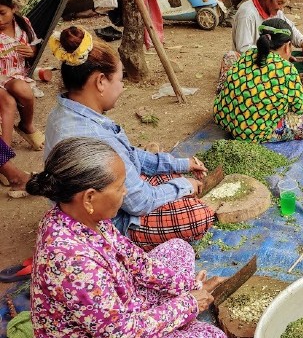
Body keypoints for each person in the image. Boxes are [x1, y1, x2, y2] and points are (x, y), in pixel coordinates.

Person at [27, 137, 232, 338]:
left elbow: (137, 261)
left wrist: (188, 286)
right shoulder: (72, 263)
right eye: (119, 187)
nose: (125, 193)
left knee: (178, 250)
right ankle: (172, 329)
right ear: (89, 197)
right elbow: (121, 334)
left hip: (120, 308)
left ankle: (169, 325)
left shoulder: (82, 217)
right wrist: (188, 306)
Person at [44, 26, 214, 251]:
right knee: (197, 216)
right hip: (105, 220)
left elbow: (131, 155)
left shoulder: (66, 111)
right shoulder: (93, 135)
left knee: (169, 174)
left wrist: (183, 164)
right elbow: (140, 203)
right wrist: (185, 185)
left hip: (96, 201)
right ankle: (125, 241)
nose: (122, 87)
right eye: (120, 78)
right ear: (101, 81)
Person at [214, 18, 303, 142]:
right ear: (287, 46)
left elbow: (260, 76)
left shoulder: (247, 54)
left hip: (227, 121)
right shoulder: (287, 69)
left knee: (231, 56)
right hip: (254, 133)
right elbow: (302, 109)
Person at [0, 0, 44, 151]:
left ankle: (26, 125)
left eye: (3, 13)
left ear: (13, 8)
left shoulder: (23, 23)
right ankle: (5, 155)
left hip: (16, 74)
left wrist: (30, 52)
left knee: (24, 90)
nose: (0, 20)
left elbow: (34, 46)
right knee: (9, 103)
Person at [231, 0, 303, 56]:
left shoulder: (275, 10)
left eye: (283, 3)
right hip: (251, 62)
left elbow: (289, 29)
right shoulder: (247, 14)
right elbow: (243, 49)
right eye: (279, 3)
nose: (281, 8)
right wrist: (274, 57)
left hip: (270, 58)